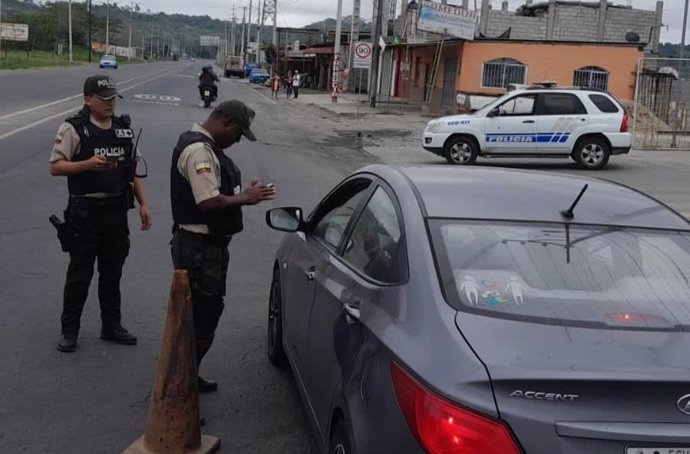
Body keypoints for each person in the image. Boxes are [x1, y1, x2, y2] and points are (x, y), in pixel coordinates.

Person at [170, 100, 275, 393]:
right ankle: (180, 392)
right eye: (238, 133)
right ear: (226, 122)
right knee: (200, 320)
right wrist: (246, 199)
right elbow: (207, 201)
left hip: (205, 247)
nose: (237, 140)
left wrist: (244, 192)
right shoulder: (198, 151)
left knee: (201, 317)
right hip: (198, 249)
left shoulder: (207, 147)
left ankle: (188, 377)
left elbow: (216, 191)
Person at [49, 75, 152, 353]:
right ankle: (69, 330)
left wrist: (143, 204)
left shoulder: (122, 130)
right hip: (85, 211)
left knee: (112, 272)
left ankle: (111, 325)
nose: (109, 104)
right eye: (103, 99)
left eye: (112, 99)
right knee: (80, 273)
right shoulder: (74, 129)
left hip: (116, 211)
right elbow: (56, 167)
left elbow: (132, 172)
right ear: (87, 99)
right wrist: (87, 164)